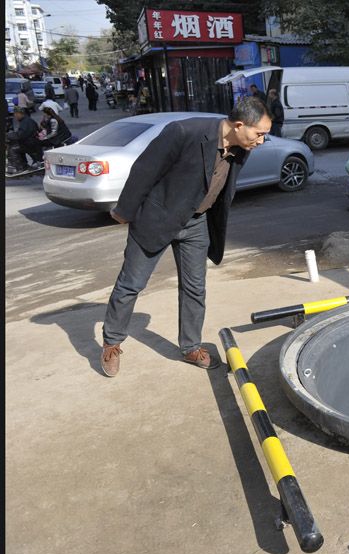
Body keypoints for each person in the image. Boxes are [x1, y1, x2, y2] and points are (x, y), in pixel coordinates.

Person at [99, 97, 273, 377]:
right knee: (131, 284)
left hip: (197, 223)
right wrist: (125, 210)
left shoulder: (242, 146)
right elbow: (145, 170)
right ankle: (112, 342)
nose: (261, 141)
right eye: (259, 134)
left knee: (195, 288)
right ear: (240, 125)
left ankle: (190, 346)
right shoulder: (184, 132)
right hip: (157, 219)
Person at [6, 107, 44, 173]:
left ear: (20, 114)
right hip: (32, 143)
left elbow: (20, 135)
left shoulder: (25, 122)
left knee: (13, 149)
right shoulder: (28, 120)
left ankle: (20, 167)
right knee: (16, 145)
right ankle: (24, 165)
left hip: (30, 144)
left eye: (15, 114)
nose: (15, 116)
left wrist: (7, 135)